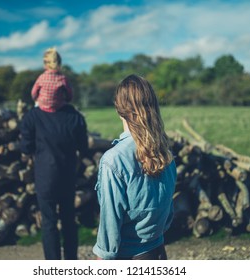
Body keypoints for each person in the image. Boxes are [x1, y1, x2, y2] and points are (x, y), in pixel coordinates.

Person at [93, 74, 177, 260]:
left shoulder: (113, 160)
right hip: (157, 254)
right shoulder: (166, 154)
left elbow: (109, 231)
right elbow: (166, 217)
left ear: (118, 109)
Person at [19, 103, 88, 260]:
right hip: (68, 176)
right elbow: (83, 147)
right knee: (69, 221)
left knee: (49, 222)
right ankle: (71, 262)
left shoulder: (32, 116)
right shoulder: (74, 116)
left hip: (45, 177)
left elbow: (26, 148)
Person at [31, 47, 73, 112]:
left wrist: (36, 99)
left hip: (42, 107)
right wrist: (66, 100)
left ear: (45, 64)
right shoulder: (62, 78)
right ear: (59, 63)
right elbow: (69, 94)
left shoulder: (41, 77)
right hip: (58, 107)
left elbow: (33, 93)